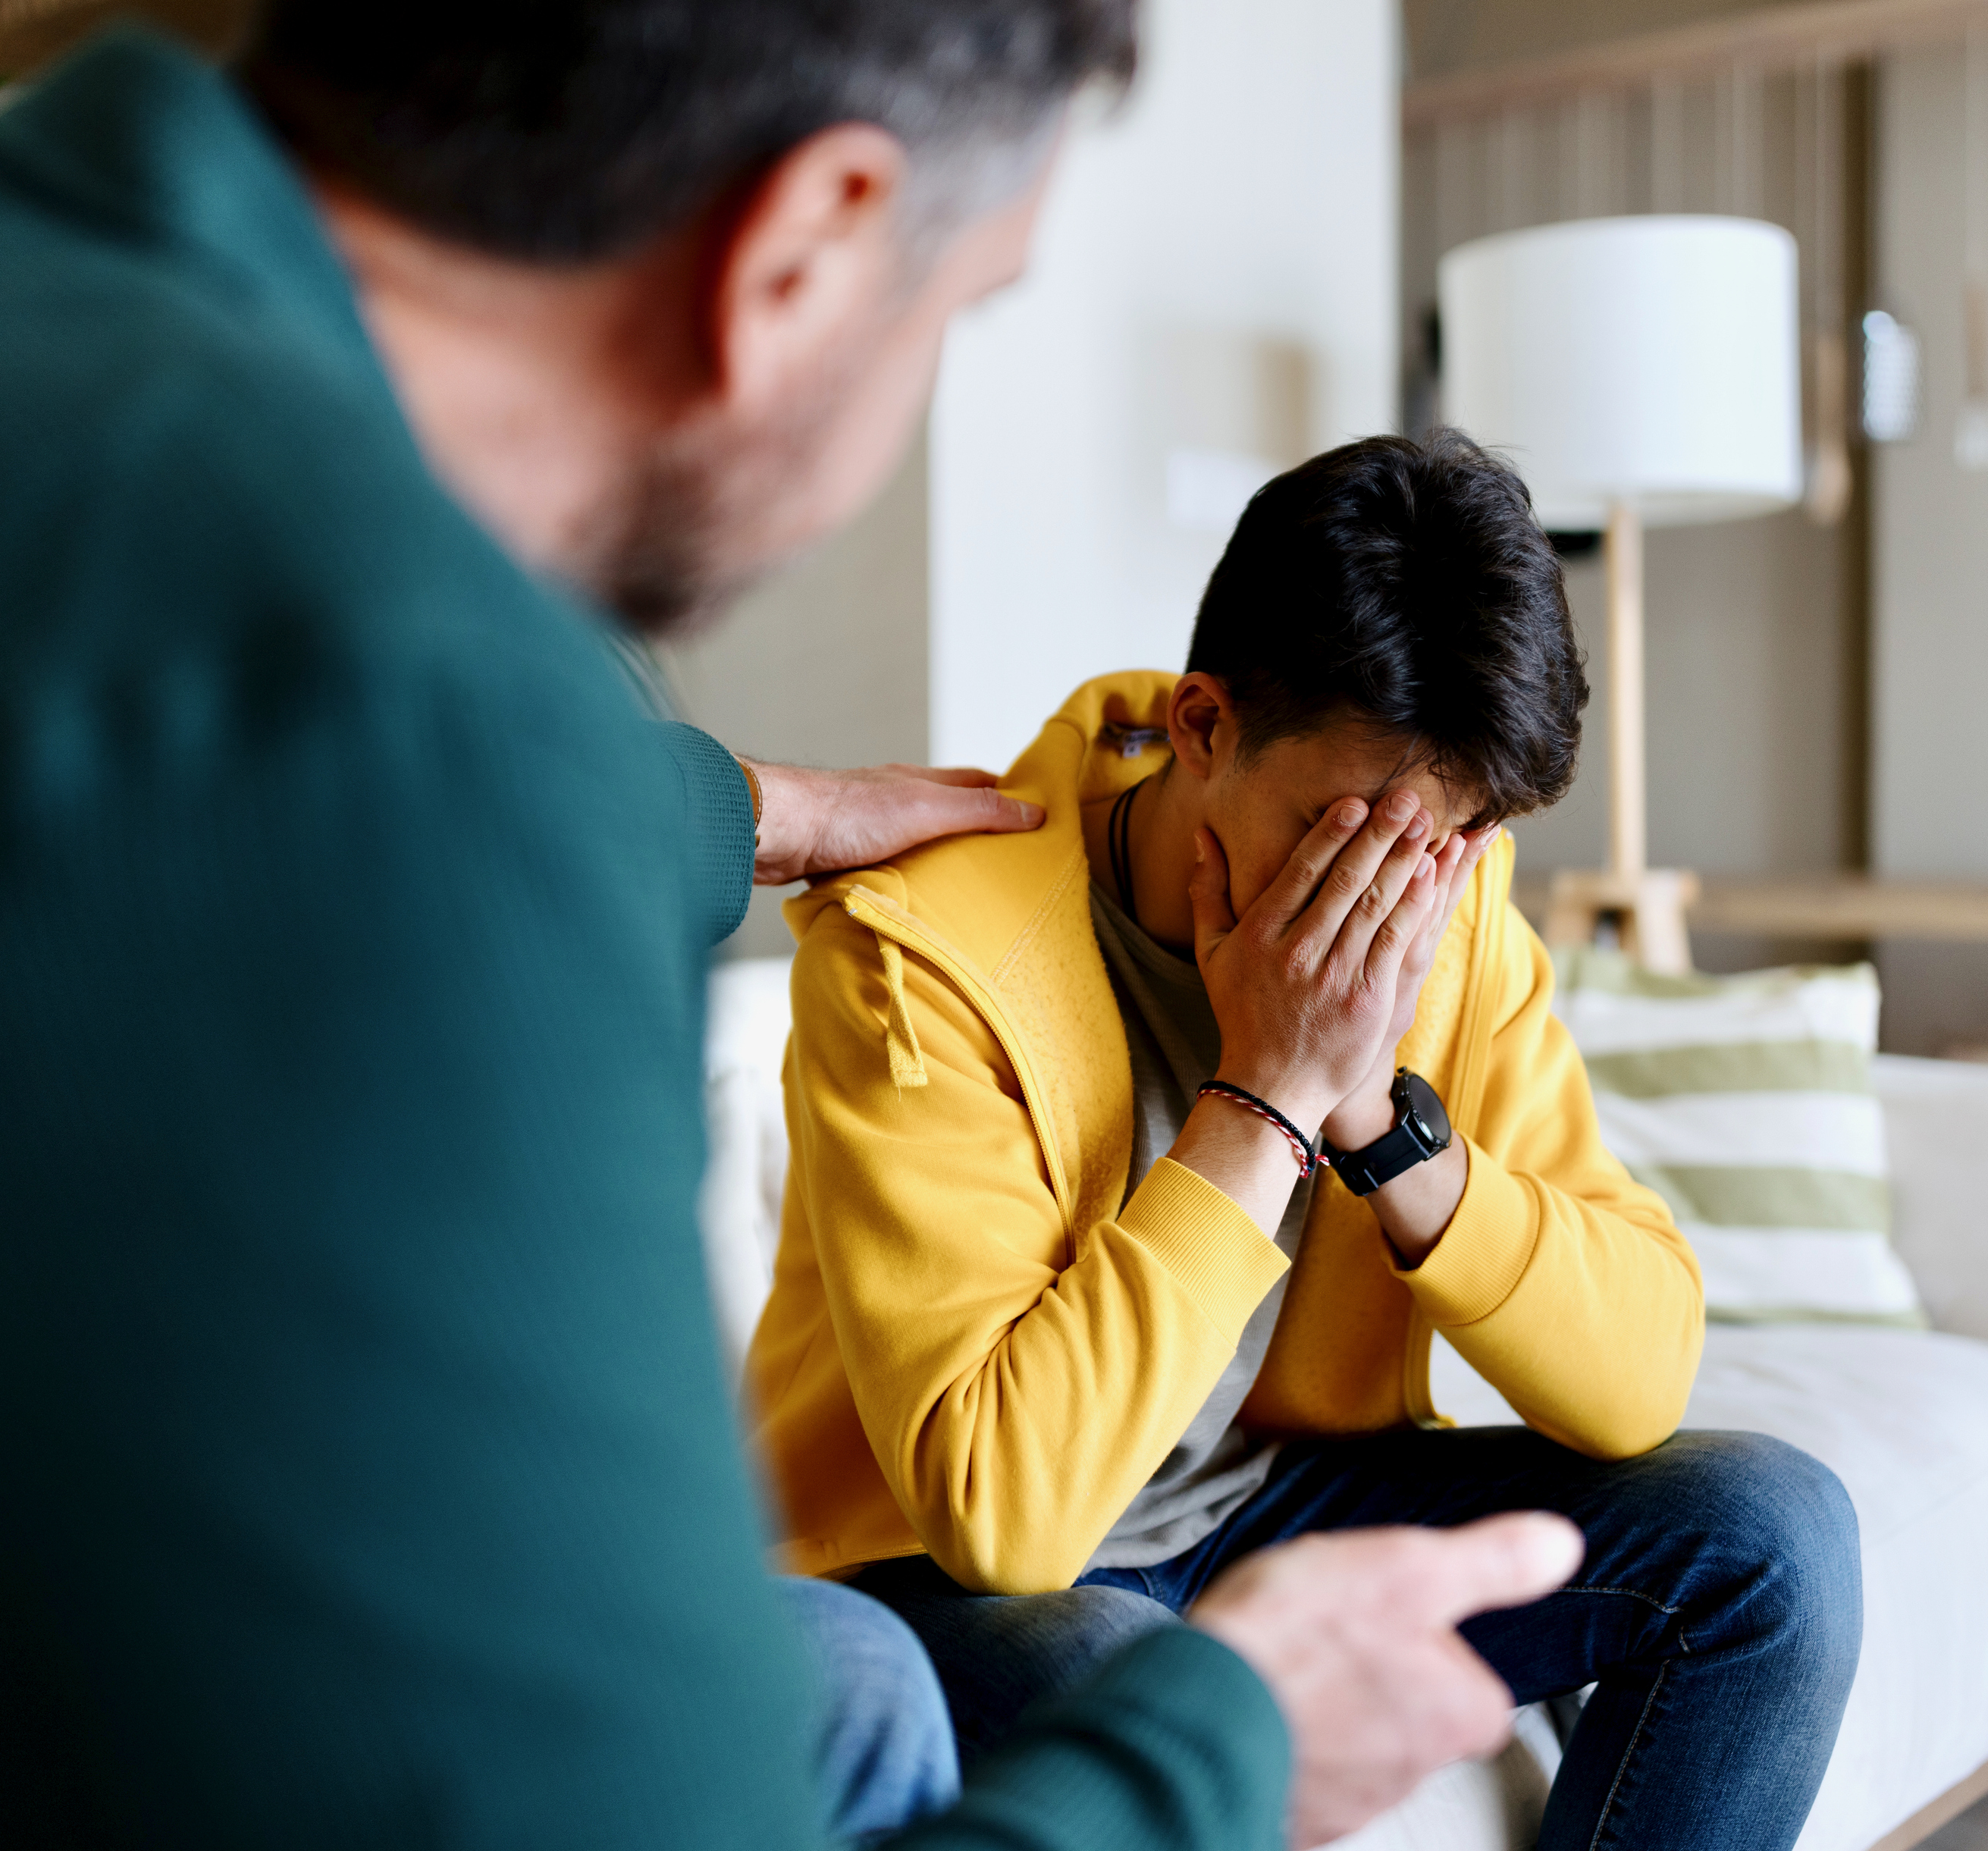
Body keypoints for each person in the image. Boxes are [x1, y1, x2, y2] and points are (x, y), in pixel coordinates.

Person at [0, 0, 1588, 1849]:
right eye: (960, 306)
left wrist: (741, 810)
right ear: (807, 242)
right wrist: (1225, 1737)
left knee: (836, 1688)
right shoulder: (371, 717)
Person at [748, 432, 1868, 1850]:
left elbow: (1641, 1374)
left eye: (1440, 846)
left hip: (1271, 1496)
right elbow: (1006, 1515)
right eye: (1342, 834)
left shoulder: (1451, 919)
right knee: (1127, 1682)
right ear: (1203, 725)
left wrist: (1384, 1131)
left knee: (1774, 1538)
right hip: (939, 1575)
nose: (1387, 897)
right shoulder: (917, 955)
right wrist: (1268, 1099)